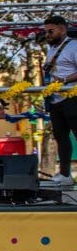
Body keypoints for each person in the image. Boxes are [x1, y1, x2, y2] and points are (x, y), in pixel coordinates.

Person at [42, 15, 77, 186]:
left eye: (51, 31)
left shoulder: (74, 46)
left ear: (63, 29)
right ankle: (65, 174)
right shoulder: (51, 50)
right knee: (61, 137)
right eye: (45, 32)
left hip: (72, 97)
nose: (47, 35)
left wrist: (63, 81)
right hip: (55, 101)